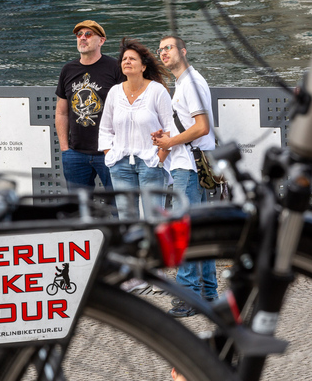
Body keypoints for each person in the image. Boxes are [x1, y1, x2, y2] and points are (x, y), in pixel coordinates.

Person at [151, 35, 218, 317]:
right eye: (160, 50)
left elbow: (202, 127)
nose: (163, 53)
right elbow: (195, 126)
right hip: (193, 165)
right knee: (197, 231)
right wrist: (168, 138)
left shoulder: (190, 82)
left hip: (188, 168)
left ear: (183, 51)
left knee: (184, 230)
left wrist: (170, 142)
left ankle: (187, 295)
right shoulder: (185, 83)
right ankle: (208, 294)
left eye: (168, 48)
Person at [99, 38, 174, 218]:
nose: (127, 62)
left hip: (151, 163)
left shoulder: (157, 91)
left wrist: (160, 158)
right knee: (126, 219)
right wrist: (110, 155)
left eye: (132, 59)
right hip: (120, 164)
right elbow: (105, 129)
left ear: (143, 67)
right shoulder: (115, 92)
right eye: (124, 59)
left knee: (154, 218)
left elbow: (171, 128)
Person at [55, 20, 123, 193]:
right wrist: (65, 149)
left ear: (101, 41)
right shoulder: (68, 69)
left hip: (109, 151)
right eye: (79, 35)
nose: (82, 38)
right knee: (79, 208)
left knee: (118, 204)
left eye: (88, 34)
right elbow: (62, 112)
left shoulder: (115, 68)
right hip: (75, 153)